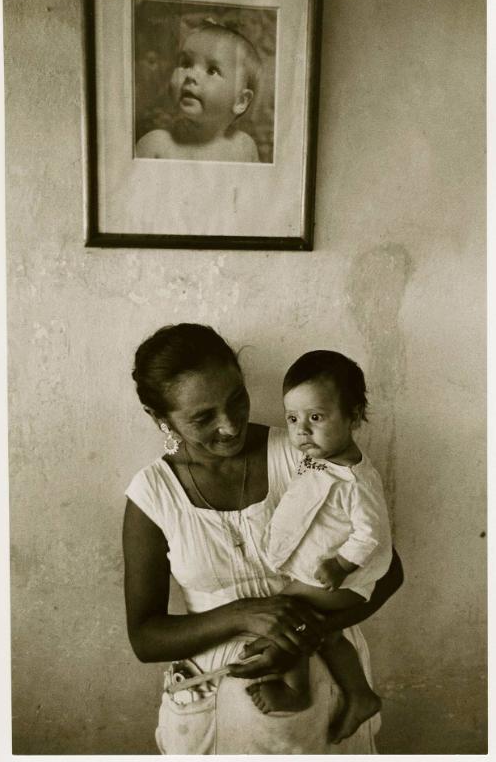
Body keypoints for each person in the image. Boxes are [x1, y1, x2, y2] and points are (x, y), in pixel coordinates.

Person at [123, 323, 404, 754]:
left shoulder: (304, 454)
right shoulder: (152, 494)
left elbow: (387, 570)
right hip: (210, 709)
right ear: (160, 419)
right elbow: (146, 638)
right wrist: (242, 615)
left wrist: (303, 636)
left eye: (237, 399)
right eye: (202, 418)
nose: (230, 426)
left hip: (325, 694)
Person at [246, 350, 391, 744]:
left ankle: (296, 692)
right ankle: (360, 695)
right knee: (325, 635)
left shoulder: (356, 481)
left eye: (317, 417)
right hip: (322, 574)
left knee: (290, 613)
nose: (302, 431)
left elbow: (372, 533)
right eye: (293, 419)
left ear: (354, 417)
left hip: (344, 580)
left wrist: (342, 565)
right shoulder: (318, 460)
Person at [135, 21, 260, 162]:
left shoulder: (244, 147)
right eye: (186, 64)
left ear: (240, 101)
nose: (190, 75)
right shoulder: (155, 144)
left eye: (212, 70)